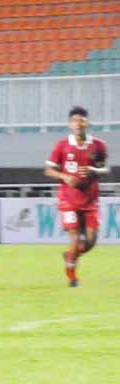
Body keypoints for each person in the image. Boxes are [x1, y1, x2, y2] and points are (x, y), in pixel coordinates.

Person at [43, 106, 107, 287]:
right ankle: (72, 276)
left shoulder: (99, 145)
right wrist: (64, 176)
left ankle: (70, 256)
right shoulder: (62, 145)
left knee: (90, 242)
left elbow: (105, 168)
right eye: (74, 121)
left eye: (81, 121)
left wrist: (95, 170)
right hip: (68, 201)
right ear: (69, 124)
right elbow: (48, 170)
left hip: (90, 201)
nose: (78, 124)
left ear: (87, 123)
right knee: (75, 237)